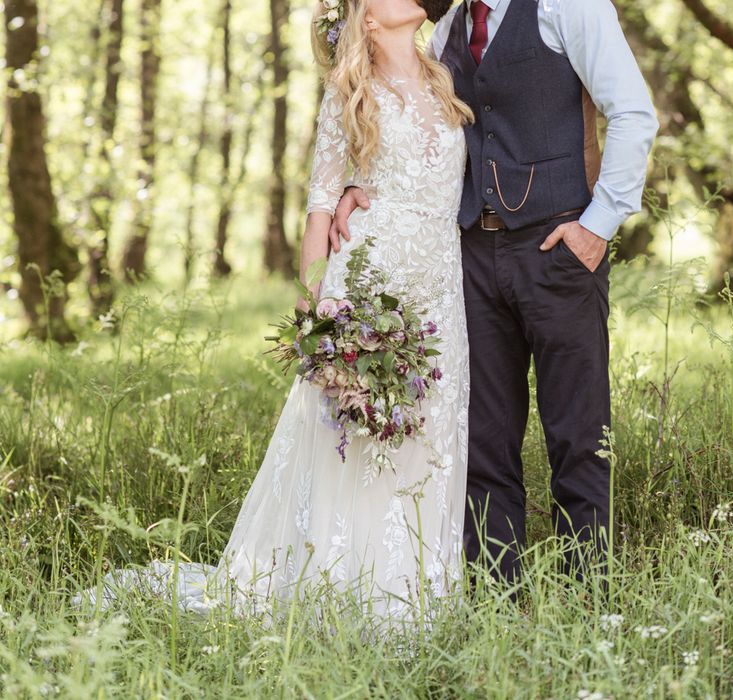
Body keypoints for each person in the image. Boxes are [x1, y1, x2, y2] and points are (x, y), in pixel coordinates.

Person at [71, 0, 474, 624]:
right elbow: (319, 207)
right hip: (370, 285)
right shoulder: (349, 94)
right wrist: (320, 317)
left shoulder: (445, 73)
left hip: (440, 287)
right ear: (366, 18)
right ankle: (348, 595)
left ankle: (421, 599)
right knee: (353, 435)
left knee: (430, 432)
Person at [331, 0, 660, 586]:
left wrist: (597, 226)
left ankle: (587, 599)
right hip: (472, 258)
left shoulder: (571, 6)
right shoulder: (452, 27)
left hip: (559, 246)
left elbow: (633, 112)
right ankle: (494, 600)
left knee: (578, 436)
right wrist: (359, 181)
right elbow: (403, 110)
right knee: (482, 441)